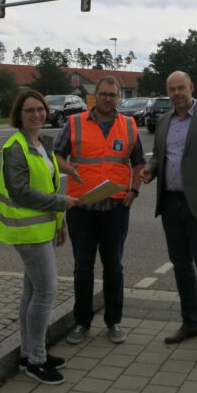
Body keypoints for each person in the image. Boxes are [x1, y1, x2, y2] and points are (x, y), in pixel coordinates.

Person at [139, 70, 197, 363]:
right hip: (170, 204)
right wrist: (151, 170)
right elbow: (158, 156)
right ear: (167, 92)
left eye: (181, 88)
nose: (177, 93)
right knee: (181, 267)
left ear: (191, 87)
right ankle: (191, 323)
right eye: (172, 89)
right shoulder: (165, 120)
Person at [0, 89, 80, 385]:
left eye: (40, 109)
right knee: (46, 293)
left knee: (32, 293)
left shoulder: (41, 143)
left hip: (42, 228)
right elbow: (20, 191)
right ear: (19, 115)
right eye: (29, 110)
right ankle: (37, 360)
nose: (37, 114)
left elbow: (50, 183)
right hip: (25, 231)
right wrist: (60, 204)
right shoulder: (15, 147)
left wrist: (60, 223)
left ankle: (28, 353)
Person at [56, 76, 146, 345]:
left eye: (113, 95)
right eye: (104, 94)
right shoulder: (75, 123)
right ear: (95, 96)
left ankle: (114, 321)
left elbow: (138, 163)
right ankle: (82, 322)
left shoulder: (129, 125)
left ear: (118, 97)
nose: (108, 99)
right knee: (83, 268)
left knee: (114, 268)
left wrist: (134, 191)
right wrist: (69, 168)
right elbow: (56, 156)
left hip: (115, 208)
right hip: (81, 207)